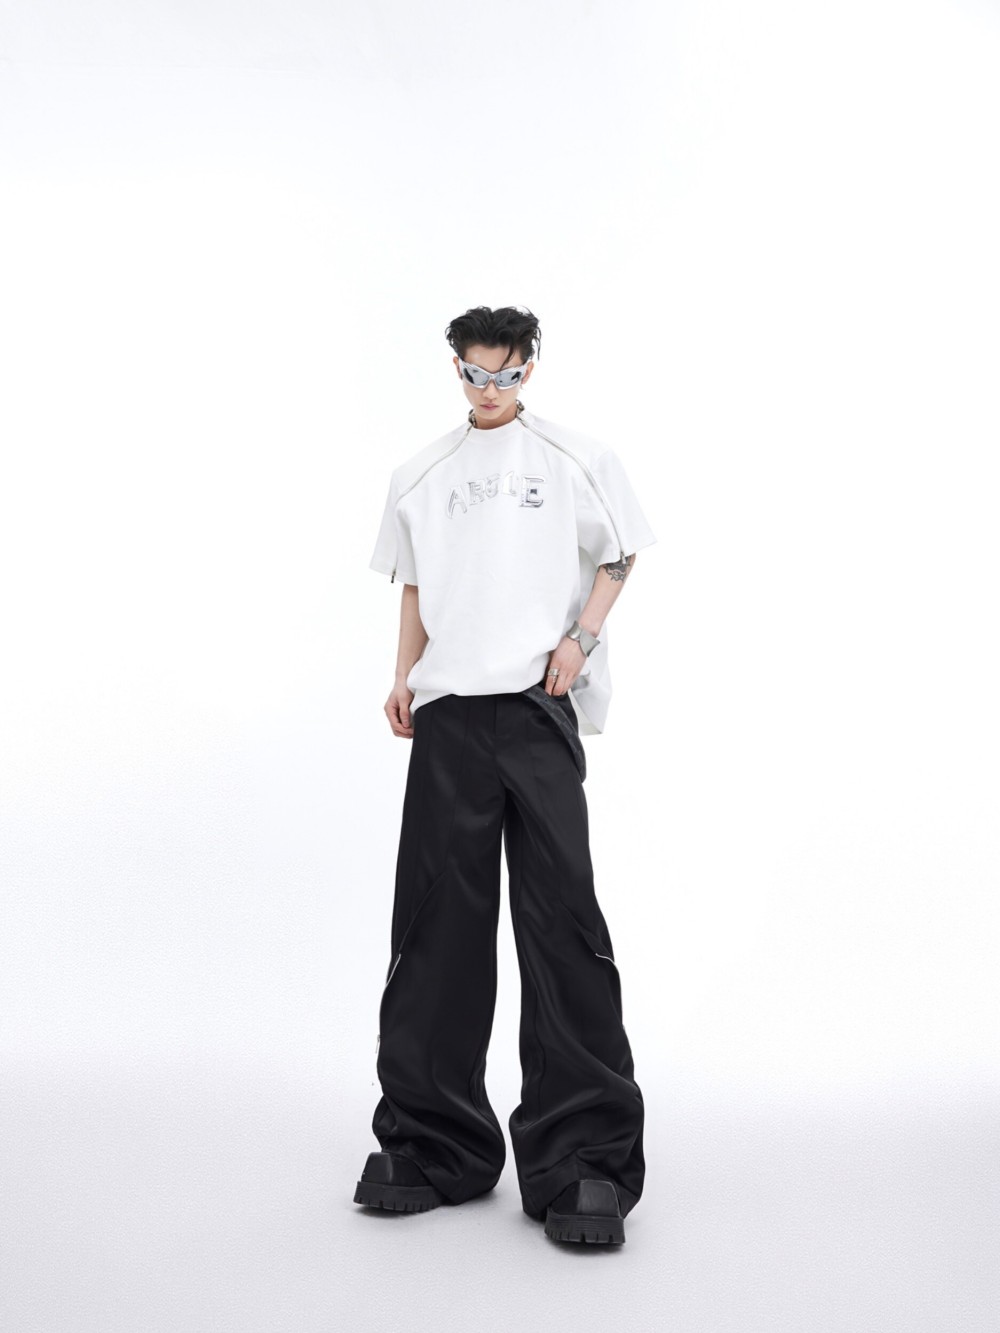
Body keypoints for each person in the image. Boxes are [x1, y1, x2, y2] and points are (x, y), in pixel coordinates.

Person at [355, 305, 656, 1245]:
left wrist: (580, 641)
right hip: (449, 712)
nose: (491, 390)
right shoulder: (421, 473)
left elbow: (622, 550)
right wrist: (403, 674)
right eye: (475, 374)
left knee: (561, 918)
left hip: (535, 706)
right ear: (456, 369)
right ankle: (430, 1142)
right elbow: (415, 583)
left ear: (529, 367)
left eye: (507, 374)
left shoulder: (573, 457)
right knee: (436, 924)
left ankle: (582, 1159)